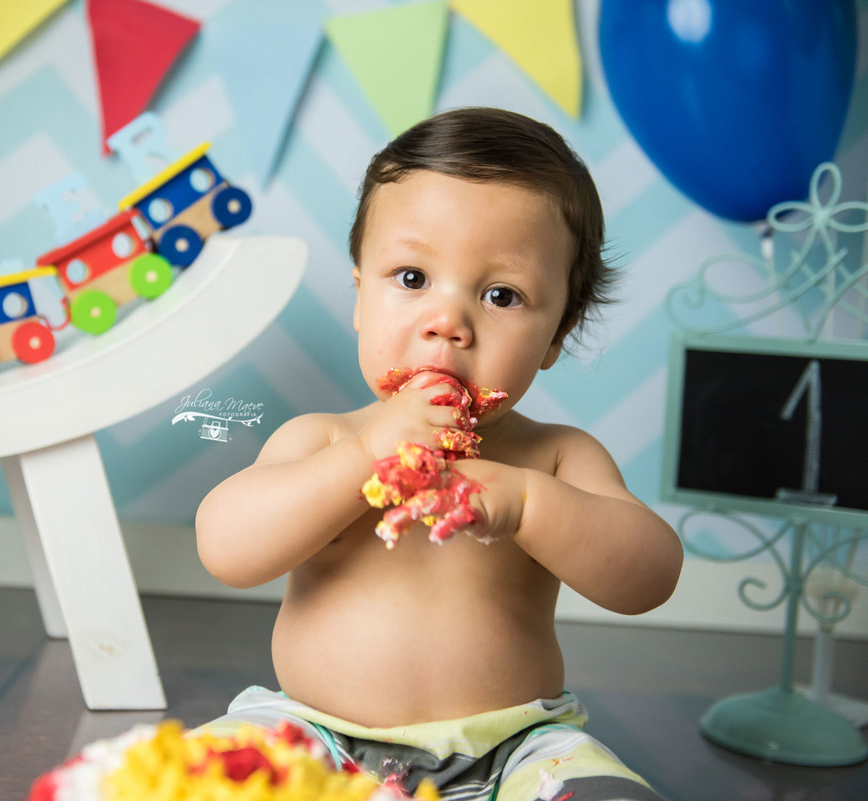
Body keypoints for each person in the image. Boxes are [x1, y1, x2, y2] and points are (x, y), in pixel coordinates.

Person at [194, 107, 683, 801]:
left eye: (501, 294)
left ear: (556, 336)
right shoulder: (324, 439)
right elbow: (226, 545)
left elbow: (649, 575)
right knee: (192, 777)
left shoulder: (554, 458)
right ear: (360, 295)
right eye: (412, 278)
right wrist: (362, 455)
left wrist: (528, 505)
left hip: (514, 747)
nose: (448, 323)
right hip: (314, 734)